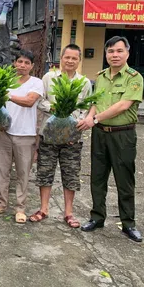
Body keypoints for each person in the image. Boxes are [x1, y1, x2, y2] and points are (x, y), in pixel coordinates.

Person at [77, 36, 144, 242]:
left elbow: (123, 105)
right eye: (110, 52)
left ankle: (128, 223)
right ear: (106, 54)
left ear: (127, 53)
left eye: (119, 51)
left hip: (122, 134)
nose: (114, 55)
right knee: (97, 177)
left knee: (124, 180)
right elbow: (96, 101)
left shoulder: (134, 77)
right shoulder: (102, 76)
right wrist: (89, 116)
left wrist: (94, 119)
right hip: (100, 134)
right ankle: (97, 217)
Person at [30, 44, 92, 227]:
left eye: (74, 58)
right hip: (49, 134)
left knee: (71, 174)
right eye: (67, 57)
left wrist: (78, 123)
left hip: (72, 137)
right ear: (61, 58)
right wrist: (54, 108)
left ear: (79, 60)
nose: (70, 61)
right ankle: (43, 209)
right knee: (45, 172)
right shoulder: (49, 78)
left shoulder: (84, 82)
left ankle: (69, 213)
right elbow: (40, 101)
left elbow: (86, 108)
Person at [0, 50, 43, 223]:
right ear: (14, 63)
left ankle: (20, 208)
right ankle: (1, 205)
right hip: (4, 132)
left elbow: (29, 101)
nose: (22, 65)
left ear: (32, 66)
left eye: (27, 63)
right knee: (2, 171)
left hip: (25, 134)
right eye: (19, 62)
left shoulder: (36, 83)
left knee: (22, 173)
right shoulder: (7, 81)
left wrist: (8, 95)